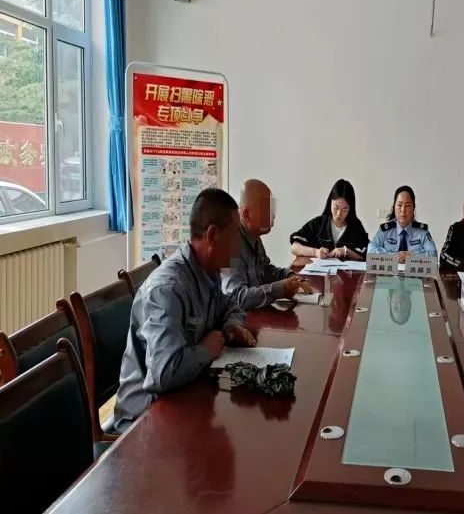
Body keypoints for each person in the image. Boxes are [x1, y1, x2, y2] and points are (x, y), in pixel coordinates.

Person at [113, 188, 256, 433]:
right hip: (145, 417)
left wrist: (232, 325)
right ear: (212, 235)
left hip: (186, 395)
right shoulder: (167, 289)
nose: (238, 249)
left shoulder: (208, 270)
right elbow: (163, 373)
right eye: (234, 237)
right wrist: (206, 350)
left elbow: (230, 304)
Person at [222, 179, 312, 311]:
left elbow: (265, 271)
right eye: (266, 209)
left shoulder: (255, 238)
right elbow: (236, 298)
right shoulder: (230, 244)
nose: (273, 215)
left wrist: (288, 276)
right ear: (246, 215)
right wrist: (279, 289)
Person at [290, 179, 369, 260]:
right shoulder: (319, 224)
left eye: (344, 210)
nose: (338, 214)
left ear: (350, 208)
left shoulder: (356, 227)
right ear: (330, 202)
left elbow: (368, 255)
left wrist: (347, 251)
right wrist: (315, 252)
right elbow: (294, 247)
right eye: (336, 207)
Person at [368, 185, 437, 262]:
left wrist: (411, 256)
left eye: (407, 206)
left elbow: (433, 255)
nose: (403, 210)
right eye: (399, 205)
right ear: (394, 207)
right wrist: (394, 256)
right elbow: (371, 250)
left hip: (413, 270)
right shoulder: (385, 231)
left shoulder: (422, 232)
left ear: (413, 208)